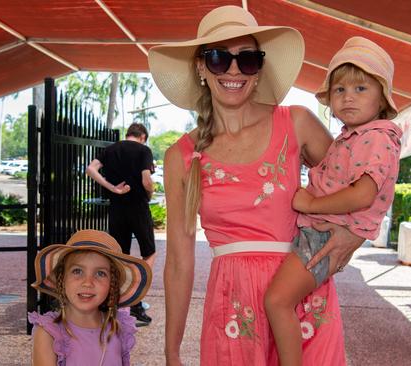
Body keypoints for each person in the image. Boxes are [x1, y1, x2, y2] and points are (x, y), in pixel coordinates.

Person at [148, 5, 366, 365]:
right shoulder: (182, 157)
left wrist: (353, 237)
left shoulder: (296, 123)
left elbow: (367, 178)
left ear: (259, 67)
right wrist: (171, 350)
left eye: (247, 59)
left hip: (304, 299)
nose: (233, 70)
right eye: (219, 58)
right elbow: (179, 264)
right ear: (201, 67)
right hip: (233, 312)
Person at [265, 36, 403, 365]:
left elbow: (363, 193)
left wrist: (310, 204)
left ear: (382, 98)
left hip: (323, 234)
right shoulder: (354, 137)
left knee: (277, 301)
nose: (347, 98)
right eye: (339, 90)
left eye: (360, 89)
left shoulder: (377, 138)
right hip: (320, 232)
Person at [28, 229, 152, 365]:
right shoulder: (49, 334)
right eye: (77, 271)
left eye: (100, 273)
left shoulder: (118, 329)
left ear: (112, 284)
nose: (87, 282)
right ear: (61, 279)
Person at [86, 122, 156, 324]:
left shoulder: (110, 149)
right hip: (138, 207)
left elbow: (91, 169)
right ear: (142, 136)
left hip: (116, 208)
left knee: (119, 255)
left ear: (128, 134)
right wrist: (149, 194)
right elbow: (146, 180)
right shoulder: (144, 150)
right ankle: (136, 302)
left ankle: (114, 301)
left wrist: (112, 188)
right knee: (149, 253)